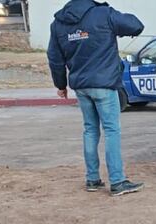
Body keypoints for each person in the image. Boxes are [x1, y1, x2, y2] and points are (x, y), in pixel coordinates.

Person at [47, 0, 144, 196]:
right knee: (111, 131)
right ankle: (117, 181)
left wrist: (61, 85)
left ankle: (92, 179)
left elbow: (54, 57)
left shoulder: (58, 22)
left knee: (90, 131)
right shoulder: (103, 13)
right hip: (104, 84)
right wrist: (107, 9)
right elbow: (136, 25)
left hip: (81, 87)